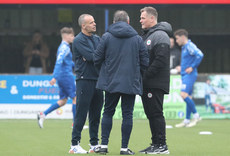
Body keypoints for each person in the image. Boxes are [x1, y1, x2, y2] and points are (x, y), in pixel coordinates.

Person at [93, 10, 149, 155]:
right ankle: (124, 148)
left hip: (110, 82)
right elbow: (145, 61)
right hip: (130, 82)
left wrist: (105, 72)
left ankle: (104, 146)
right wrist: (136, 74)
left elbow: (96, 59)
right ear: (128, 22)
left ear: (114, 22)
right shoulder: (137, 39)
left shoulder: (106, 37)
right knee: (127, 114)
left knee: (107, 112)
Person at [68, 14, 103, 154]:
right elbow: (92, 57)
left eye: (94, 22)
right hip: (84, 80)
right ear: (83, 25)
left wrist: (95, 56)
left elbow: (99, 56)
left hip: (98, 80)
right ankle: (74, 144)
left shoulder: (97, 38)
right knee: (81, 113)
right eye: (91, 22)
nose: (94, 24)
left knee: (96, 114)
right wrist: (95, 56)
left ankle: (94, 144)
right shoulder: (78, 40)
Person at [139, 6, 171, 154]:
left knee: (156, 113)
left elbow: (161, 60)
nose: (140, 20)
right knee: (151, 113)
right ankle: (155, 144)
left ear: (152, 18)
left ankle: (161, 146)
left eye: (143, 18)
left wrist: (145, 76)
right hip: (149, 83)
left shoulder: (160, 35)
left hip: (155, 83)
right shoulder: (148, 35)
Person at [37, 27, 76, 128]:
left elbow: (68, 62)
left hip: (63, 76)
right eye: (72, 35)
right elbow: (59, 62)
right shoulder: (64, 48)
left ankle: (43, 114)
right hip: (66, 76)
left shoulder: (64, 47)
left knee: (63, 101)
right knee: (76, 98)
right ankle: (76, 124)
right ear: (66, 36)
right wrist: (54, 77)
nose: (73, 37)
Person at [174, 29, 204, 128]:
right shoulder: (185, 47)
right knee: (188, 97)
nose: (176, 41)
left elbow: (199, 55)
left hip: (189, 75)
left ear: (183, 37)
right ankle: (187, 120)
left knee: (183, 94)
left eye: (177, 38)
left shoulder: (189, 46)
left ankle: (196, 115)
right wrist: (181, 67)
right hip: (185, 75)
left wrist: (192, 67)